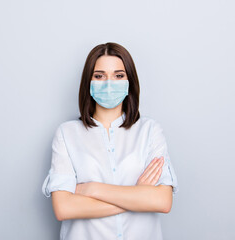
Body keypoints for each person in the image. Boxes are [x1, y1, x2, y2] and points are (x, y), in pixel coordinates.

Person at [41, 42, 179, 240]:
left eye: (118, 75)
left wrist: (92, 189)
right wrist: (137, 196)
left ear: (129, 81)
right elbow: (64, 208)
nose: (108, 83)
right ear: (88, 82)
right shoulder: (67, 133)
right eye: (99, 76)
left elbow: (162, 202)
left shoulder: (150, 131)